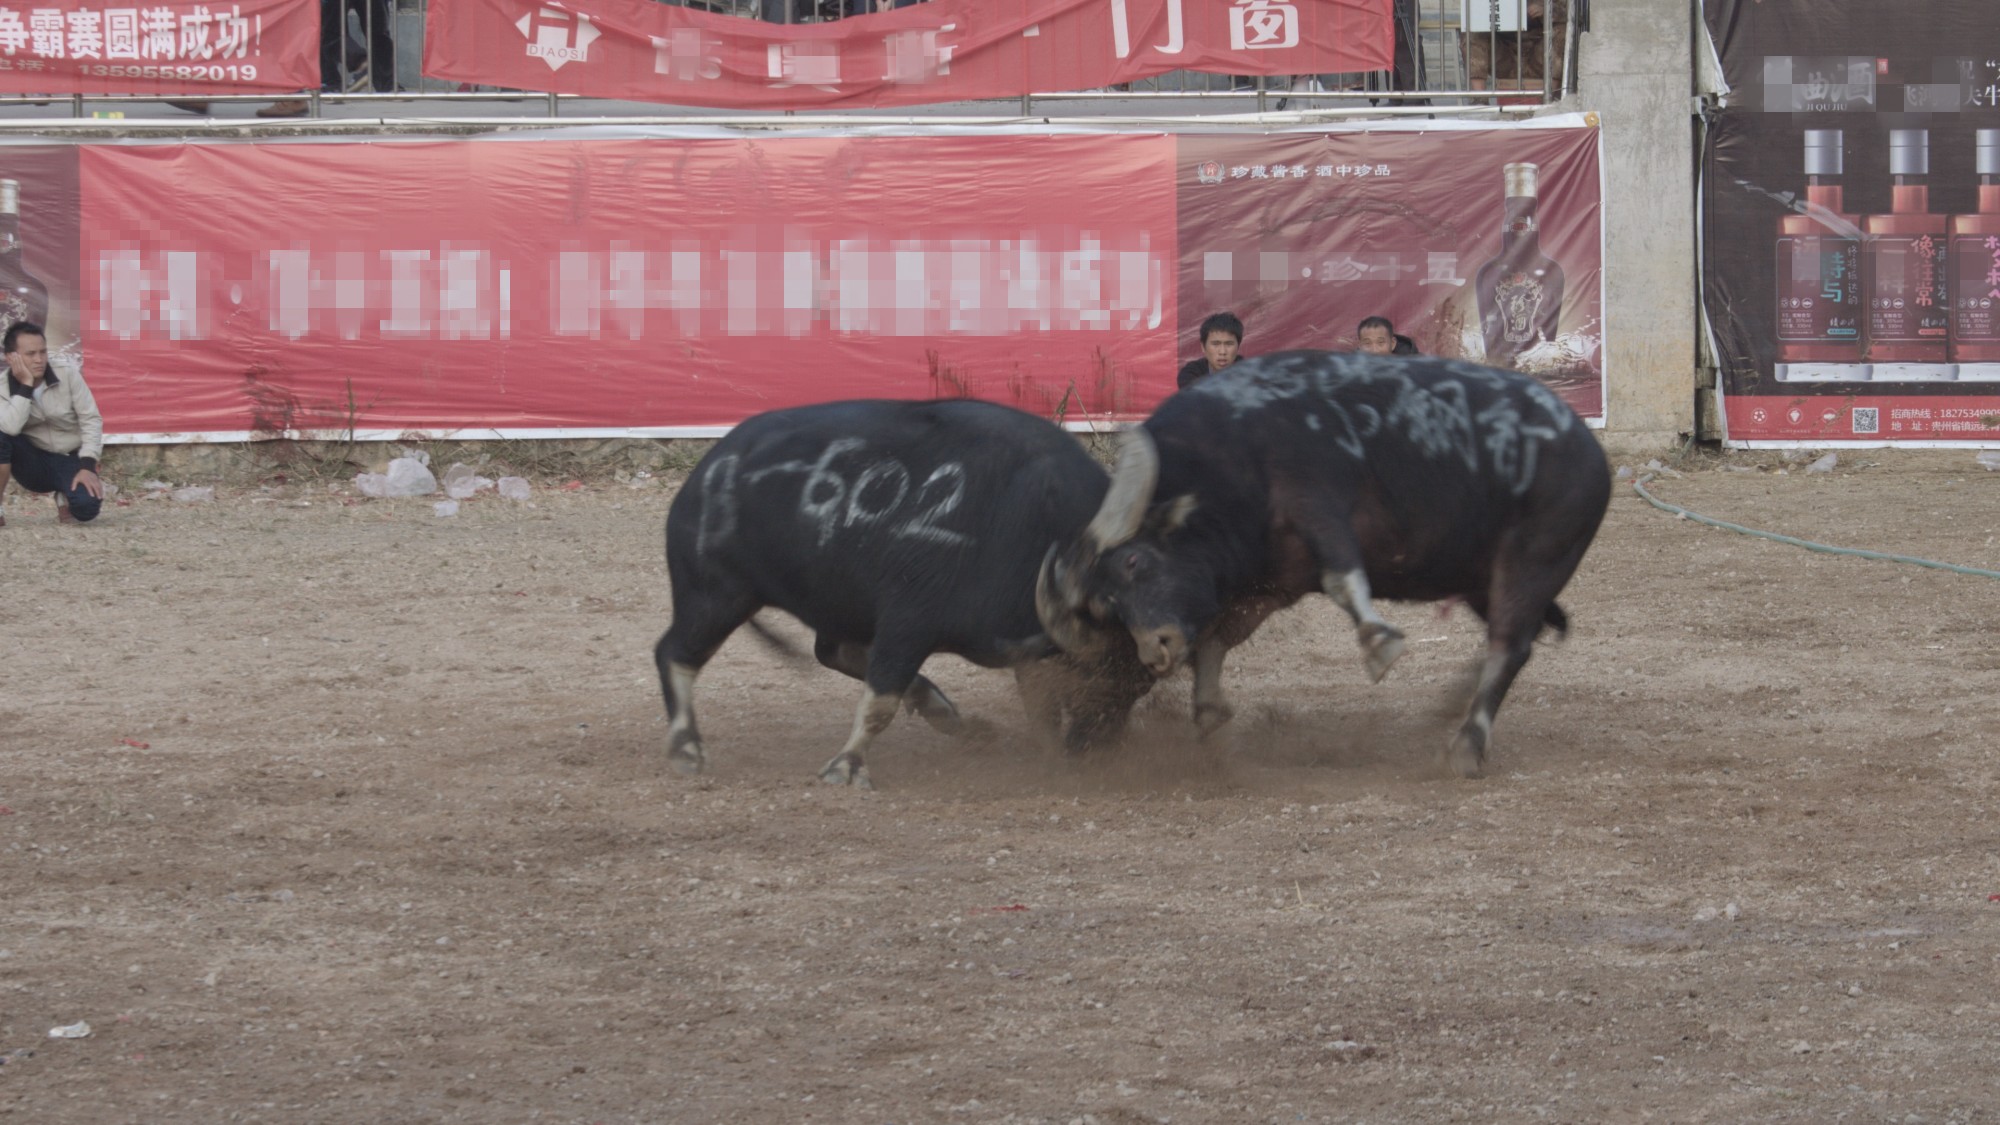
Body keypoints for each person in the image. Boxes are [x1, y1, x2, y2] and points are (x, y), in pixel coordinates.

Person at [0, 322, 103, 527]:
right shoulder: (3, 386)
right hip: (32, 462)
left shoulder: (66, 373)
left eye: (43, 352)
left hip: (70, 458)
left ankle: (65, 496)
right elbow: (10, 428)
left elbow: (91, 418)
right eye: (30, 354)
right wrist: (26, 385)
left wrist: (88, 465)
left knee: (86, 509)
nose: (39, 360)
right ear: (11, 357)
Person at [1465, 0, 1568, 92]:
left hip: (1540, 57)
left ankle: (1550, 96)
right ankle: (1479, 99)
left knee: (1562, 32)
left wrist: (1549, 10)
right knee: (1472, 31)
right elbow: (1474, 12)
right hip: (1506, 57)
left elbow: (1572, 14)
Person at [1177, 311, 1245, 389]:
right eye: (1215, 344)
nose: (1222, 352)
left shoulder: (1251, 374)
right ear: (1203, 347)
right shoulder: (1190, 374)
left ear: (1238, 346)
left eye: (1229, 344)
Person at [1356, 315, 1420, 356]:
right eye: (1367, 343)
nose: (1374, 351)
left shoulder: (1412, 365)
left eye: (1380, 342)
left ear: (1392, 344)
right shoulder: (1352, 368)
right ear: (1360, 346)